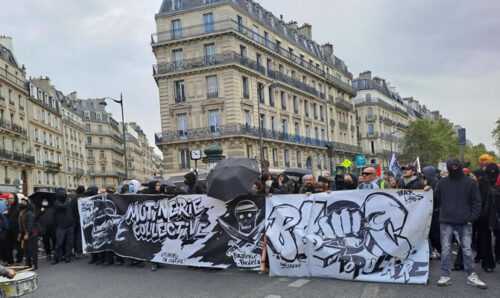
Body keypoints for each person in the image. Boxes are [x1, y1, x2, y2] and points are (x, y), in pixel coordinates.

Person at [435, 158, 486, 288]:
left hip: (463, 222)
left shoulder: (469, 183)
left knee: (467, 250)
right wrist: (427, 191)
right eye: (451, 166)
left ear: (459, 166)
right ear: (448, 168)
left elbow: (476, 202)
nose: (454, 168)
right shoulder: (442, 182)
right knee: (446, 250)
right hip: (447, 221)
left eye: (456, 166)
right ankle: (446, 275)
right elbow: (436, 199)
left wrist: (471, 218)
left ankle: (470, 275)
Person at [472, 169, 495, 272]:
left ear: (479, 177)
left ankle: (488, 263)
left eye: (472, 176)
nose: (471, 178)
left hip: (482, 218)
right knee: (482, 240)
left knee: (484, 240)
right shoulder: (479, 187)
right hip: (479, 217)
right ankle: (484, 260)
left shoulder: (485, 190)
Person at [52, 190, 75, 264]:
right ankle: (56, 258)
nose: (65, 196)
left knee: (69, 242)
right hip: (61, 226)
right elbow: (64, 206)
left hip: (69, 225)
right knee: (59, 243)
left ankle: (68, 256)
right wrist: (68, 199)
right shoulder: (57, 203)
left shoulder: (68, 202)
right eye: (64, 195)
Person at [5, 193, 22, 265]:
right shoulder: (9, 207)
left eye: (11, 198)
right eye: (9, 198)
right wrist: (7, 214)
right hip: (9, 230)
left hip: (17, 230)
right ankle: (10, 262)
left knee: (18, 247)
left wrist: (20, 231)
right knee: (9, 246)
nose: (10, 200)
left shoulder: (19, 207)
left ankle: (18, 261)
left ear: (15, 199)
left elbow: (20, 220)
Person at [70, 185, 85, 258]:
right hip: (81, 219)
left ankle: (75, 250)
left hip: (73, 219)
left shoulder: (73, 198)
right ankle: (79, 251)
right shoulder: (83, 198)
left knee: (75, 235)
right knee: (80, 236)